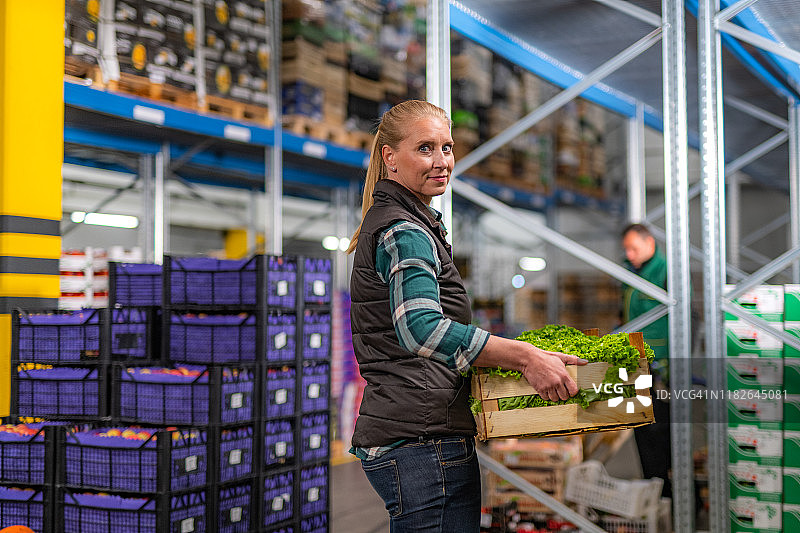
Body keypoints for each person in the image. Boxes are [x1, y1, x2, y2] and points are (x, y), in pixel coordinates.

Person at [345, 100, 587, 532]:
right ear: (390, 157)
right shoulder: (405, 230)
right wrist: (525, 357)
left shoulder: (408, 221)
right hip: (423, 443)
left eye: (447, 147)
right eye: (425, 148)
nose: (441, 161)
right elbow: (421, 328)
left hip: (416, 435)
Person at [621, 222, 671, 498]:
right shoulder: (631, 272)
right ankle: (653, 492)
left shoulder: (666, 271)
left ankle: (667, 493)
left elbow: (687, 316)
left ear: (649, 243)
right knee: (641, 427)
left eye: (634, 248)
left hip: (659, 365)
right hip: (636, 363)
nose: (629, 254)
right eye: (626, 249)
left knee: (661, 429)